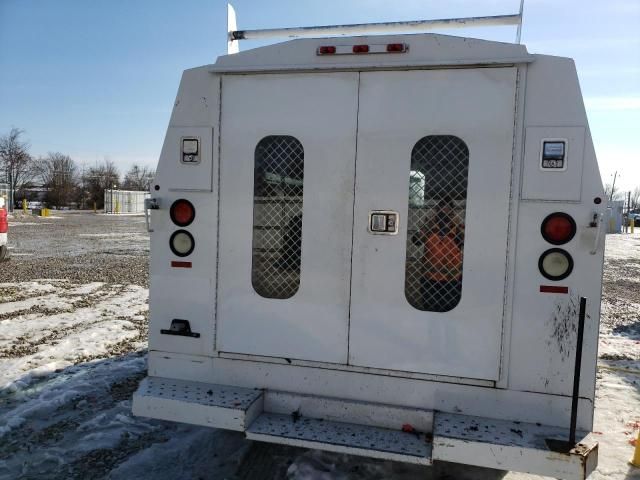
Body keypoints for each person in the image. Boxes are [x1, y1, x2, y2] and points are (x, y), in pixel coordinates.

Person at [411, 198, 464, 312]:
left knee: (449, 311)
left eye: (447, 210)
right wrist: (426, 227)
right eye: (441, 209)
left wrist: (456, 226)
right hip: (430, 279)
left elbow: (465, 242)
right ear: (436, 211)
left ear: (452, 212)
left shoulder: (458, 228)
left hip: (451, 280)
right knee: (430, 310)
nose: (444, 213)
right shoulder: (430, 227)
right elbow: (416, 240)